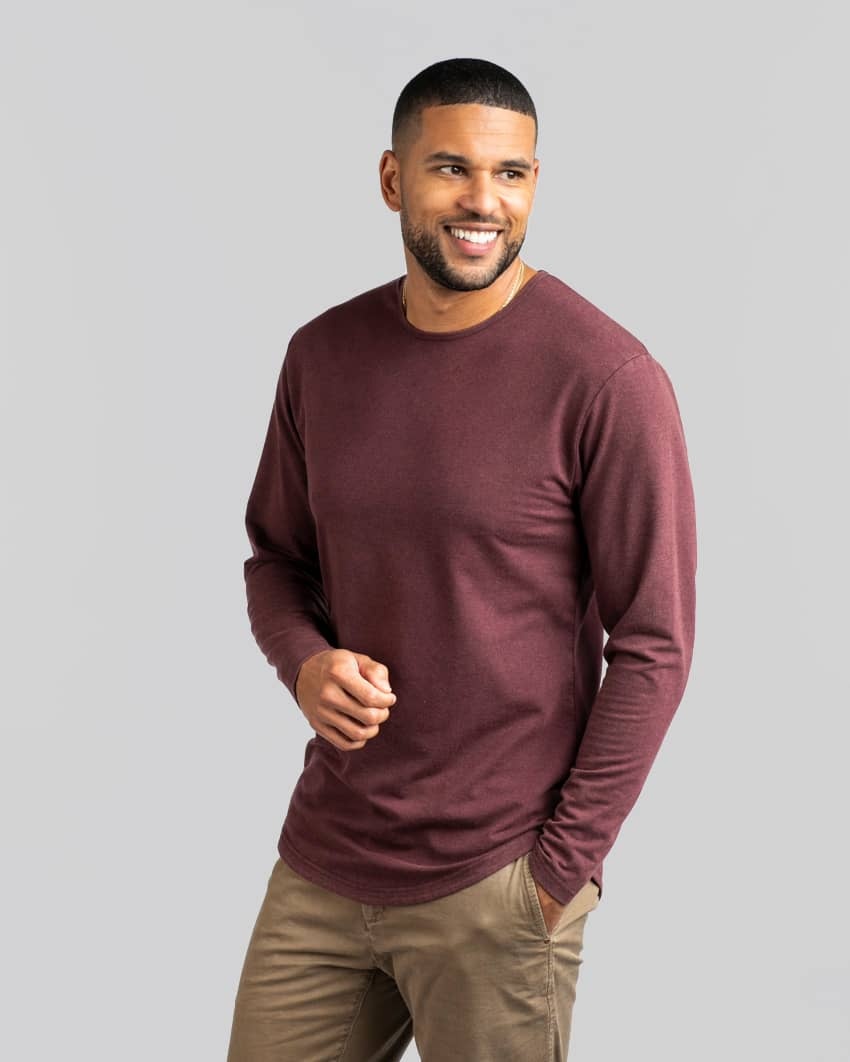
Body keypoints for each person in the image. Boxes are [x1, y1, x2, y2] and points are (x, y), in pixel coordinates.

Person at [227, 56, 697, 1062]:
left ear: (535, 182)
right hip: (326, 859)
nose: (484, 201)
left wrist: (556, 873)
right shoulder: (322, 355)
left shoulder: (606, 378)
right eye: (451, 169)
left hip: (496, 879)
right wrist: (304, 663)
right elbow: (276, 560)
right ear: (392, 179)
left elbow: (655, 643)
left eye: (511, 173)